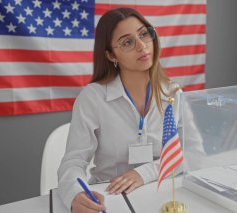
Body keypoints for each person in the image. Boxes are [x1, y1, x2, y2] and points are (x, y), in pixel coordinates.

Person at [57, 7, 182, 213]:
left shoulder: (173, 92)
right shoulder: (93, 97)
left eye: (144, 34)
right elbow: (73, 161)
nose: (142, 46)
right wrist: (74, 194)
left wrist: (143, 173)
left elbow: (190, 154)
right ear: (111, 55)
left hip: (160, 194)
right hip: (110, 197)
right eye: (127, 42)